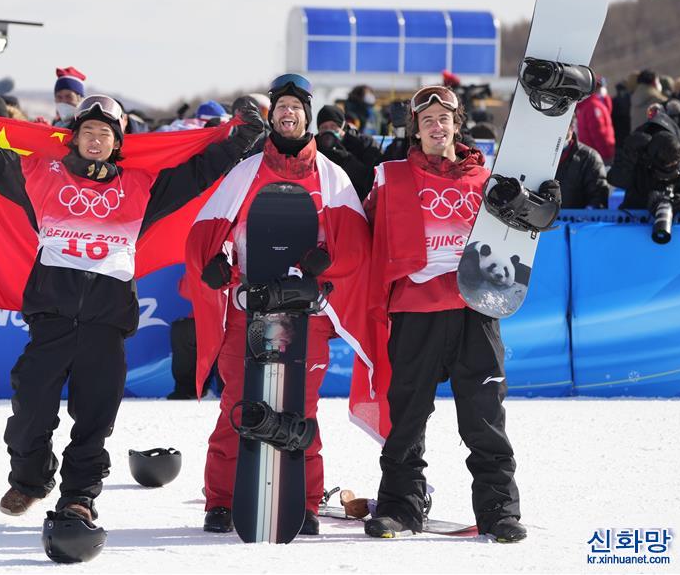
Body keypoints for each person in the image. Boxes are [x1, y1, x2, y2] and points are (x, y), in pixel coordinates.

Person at [0, 85, 264, 526]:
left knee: (94, 421)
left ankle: (79, 496)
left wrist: (244, 136)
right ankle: (29, 481)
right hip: (52, 319)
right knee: (30, 411)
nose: (96, 139)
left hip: (106, 324)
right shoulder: (41, 176)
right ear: (74, 136)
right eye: (89, 131)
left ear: (118, 143)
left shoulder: (141, 187)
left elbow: (201, 171)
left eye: (105, 133)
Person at [187, 73, 376, 537]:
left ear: (307, 114)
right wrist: (217, 266)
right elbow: (207, 233)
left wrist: (326, 260)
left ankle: (305, 501)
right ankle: (222, 500)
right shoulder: (245, 173)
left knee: (301, 406)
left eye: (296, 105)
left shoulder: (331, 176)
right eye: (280, 106)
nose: (287, 113)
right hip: (247, 309)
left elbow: (355, 246)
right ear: (271, 114)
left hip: (305, 314)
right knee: (237, 401)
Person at [363, 85, 535, 543]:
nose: (436, 127)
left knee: (484, 418)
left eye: (444, 119)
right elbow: (362, 233)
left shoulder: (487, 180)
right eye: (427, 121)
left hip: (475, 310)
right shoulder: (390, 176)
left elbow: (524, 235)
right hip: (416, 310)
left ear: (457, 126)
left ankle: (499, 511)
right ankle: (401, 508)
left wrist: (540, 206)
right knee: (407, 418)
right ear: (414, 131)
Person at [609, 104, 680, 210]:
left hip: (675, 213)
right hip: (637, 211)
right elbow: (616, 180)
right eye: (662, 174)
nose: (666, 179)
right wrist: (628, 156)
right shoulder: (637, 152)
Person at [314, 104, 382, 199]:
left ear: (343, 127)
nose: (329, 131)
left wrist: (346, 159)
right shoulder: (314, 146)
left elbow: (372, 180)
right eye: (324, 128)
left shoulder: (363, 143)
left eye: (333, 126)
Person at [554, 120, 609, 209]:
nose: (556, 131)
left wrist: (586, 215)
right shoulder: (537, 153)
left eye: (561, 125)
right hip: (540, 219)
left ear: (571, 127)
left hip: (574, 220)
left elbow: (598, 198)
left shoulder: (589, 157)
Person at [575, 78, 616, 164]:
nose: (601, 89)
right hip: (601, 155)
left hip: (594, 155)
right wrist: (607, 154)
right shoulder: (593, 106)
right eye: (597, 87)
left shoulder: (589, 104)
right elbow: (598, 133)